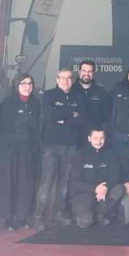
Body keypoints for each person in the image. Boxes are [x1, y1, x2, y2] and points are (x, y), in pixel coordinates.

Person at [34, 68, 85, 231]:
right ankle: (39, 217)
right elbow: (50, 117)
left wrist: (63, 119)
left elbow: (81, 119)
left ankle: (58, 213)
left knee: (64, 182)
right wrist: (71, 114)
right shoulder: (48, 95)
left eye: (69, 78)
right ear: (57, 80)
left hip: (70, 145)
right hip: (51, 144)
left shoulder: (79, 96)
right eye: (63, 78)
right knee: (47, 181)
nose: (66, 81)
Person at [0, 74, 41, 231]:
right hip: (10, 150)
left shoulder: (36, 104)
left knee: (26, 183)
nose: (27, 86)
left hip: (28, 151)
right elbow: (0, 128)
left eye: (30, 83)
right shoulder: (8, 104)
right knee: (10, 182)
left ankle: (22, 217)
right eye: (23, 83)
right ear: (16, 85)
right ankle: (9, 218)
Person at [70, 128, 126, 228]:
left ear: (105, 139)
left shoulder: (111, 154)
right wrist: (95, 189)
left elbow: (116, 176)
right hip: (84, 192)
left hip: (104, 191)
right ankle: (84, 212)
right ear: (89, 138)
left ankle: (100, 213)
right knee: (84, 223)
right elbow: (75, 182)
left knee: (119, 188)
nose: (98, 141)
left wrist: (105, 188)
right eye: (95, 138)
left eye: (101, 138)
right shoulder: (80, 154)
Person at [75, 60, 111, 139]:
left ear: (93, 73)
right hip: (73, 136)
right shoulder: (71, 90)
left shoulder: (101, 92)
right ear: (79, 71)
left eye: (90, 71)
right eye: (84, 71)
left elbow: (106, 115)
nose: (86, 74)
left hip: (94, 137)